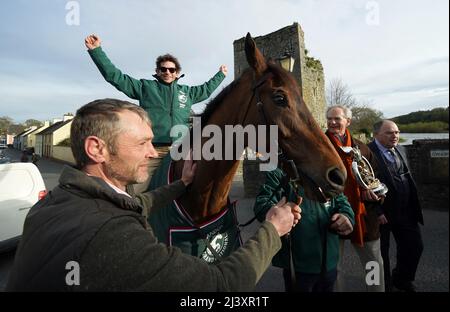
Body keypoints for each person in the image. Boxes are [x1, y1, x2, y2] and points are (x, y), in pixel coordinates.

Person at [6, 98, 301, 292]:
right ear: (97, 149)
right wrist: (273, 229)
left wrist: (181, 184)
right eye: (142, 143)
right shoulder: (112, 232)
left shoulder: (58, 200)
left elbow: (137, 204)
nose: (152, 151)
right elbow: (221, 286)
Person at [84, 34, 228, 194]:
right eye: (163, 69)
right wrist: (97, 51)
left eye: (171, 69)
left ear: (177, 73)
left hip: (181, 151)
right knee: (136, 195)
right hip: (154, 152)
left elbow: (207, 89)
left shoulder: (187, 93)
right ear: (157, 71)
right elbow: (115, 77)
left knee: (197, 189)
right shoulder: (145, 88)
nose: (167, 72)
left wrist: (220, 75)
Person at [254, 168, 355, 292]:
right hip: (297, 265)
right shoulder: (280, 173)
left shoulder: (326, 169)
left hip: (329, 262)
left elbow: (341, 200)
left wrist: (346, 215)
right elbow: (261, 205)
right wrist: (276, 212)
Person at [325, 105, 385, 292]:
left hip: (364, 215)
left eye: (337, 119)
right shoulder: (319, 146)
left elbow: (376, 180)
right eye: (329, 119)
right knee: (334, 267)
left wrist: (373, 193)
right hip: (332, 215)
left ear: (348, 121)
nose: (332, 122)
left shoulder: (362, 148)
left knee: (373, 263)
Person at [368, 120, 424, 292]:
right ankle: (380, 286)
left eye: (397, 132)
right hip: (381, 213)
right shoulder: (366, 152)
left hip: (406, 211)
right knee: (377, 254)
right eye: (389, 133)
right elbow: (361, 185)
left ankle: (401, 278)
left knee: (414, 246)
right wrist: (376, 210)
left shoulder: (401, 149)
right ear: (376, 134)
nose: (395, 136)